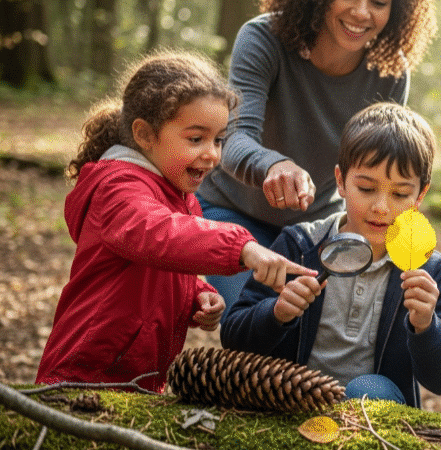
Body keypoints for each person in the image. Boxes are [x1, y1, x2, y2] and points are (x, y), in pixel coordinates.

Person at [35, 51, 315, 393]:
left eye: (219, 139)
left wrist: (199, 294)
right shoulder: (116, 188)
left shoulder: (180, 198)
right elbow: (157, 234)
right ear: (145, 134)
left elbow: (166, 263)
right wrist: (242, 246)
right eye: (196, 139)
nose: (212, 153)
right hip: (83, 375)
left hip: (139, 380)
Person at [197, 0, 437, 317]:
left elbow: (381, 169)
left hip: (316, 226)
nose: (362, 12)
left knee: (312, 330)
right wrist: (273, 165)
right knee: (249, 320)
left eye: (379, 2)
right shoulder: (263, 38)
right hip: (235, 210)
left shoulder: (389, 69)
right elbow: (233, 138)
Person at [221, 103, 441, 408]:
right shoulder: (300, 247)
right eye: (366, 188)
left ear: (420, 195)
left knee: (370, 389)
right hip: (292, 403)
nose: (381, 207)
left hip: (371, 414)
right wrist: (277, 313)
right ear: (341, 182)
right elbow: (232, 337)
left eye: (400, 194)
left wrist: (427, 325)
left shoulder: (429, 268)